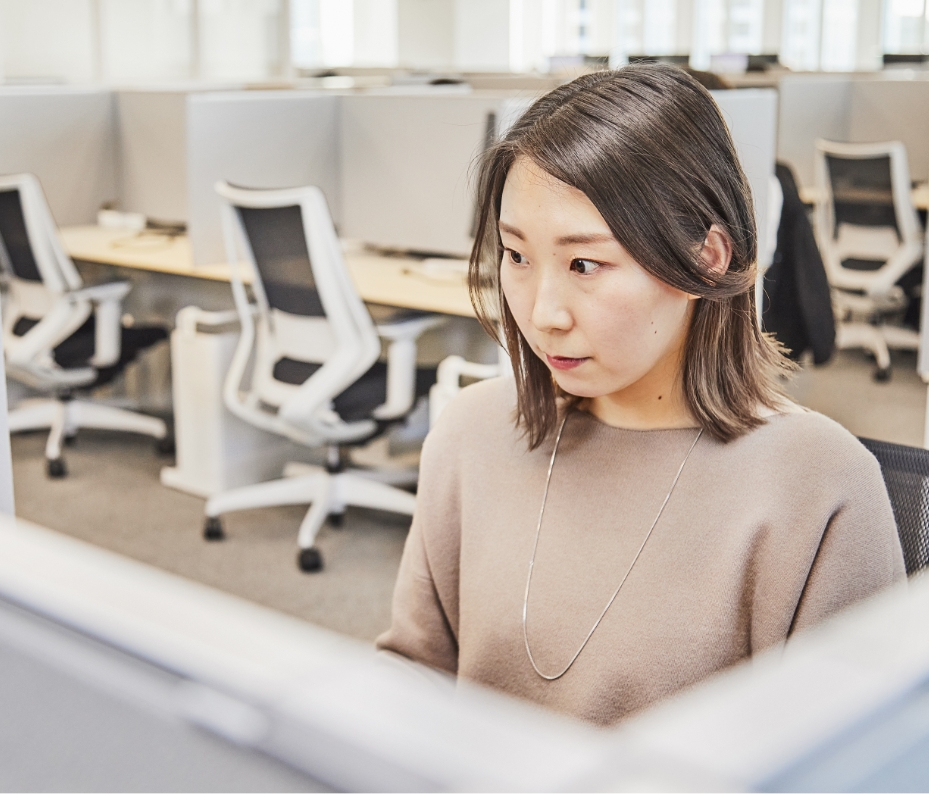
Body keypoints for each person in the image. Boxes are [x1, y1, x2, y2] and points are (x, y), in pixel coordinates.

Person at [376, 65, 905, 726]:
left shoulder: (819, 484)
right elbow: (411, 681)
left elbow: (846, 767)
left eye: (584, 264)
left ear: (707, 258)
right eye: (516, 255)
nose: (543, 313)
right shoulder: (470, 434)